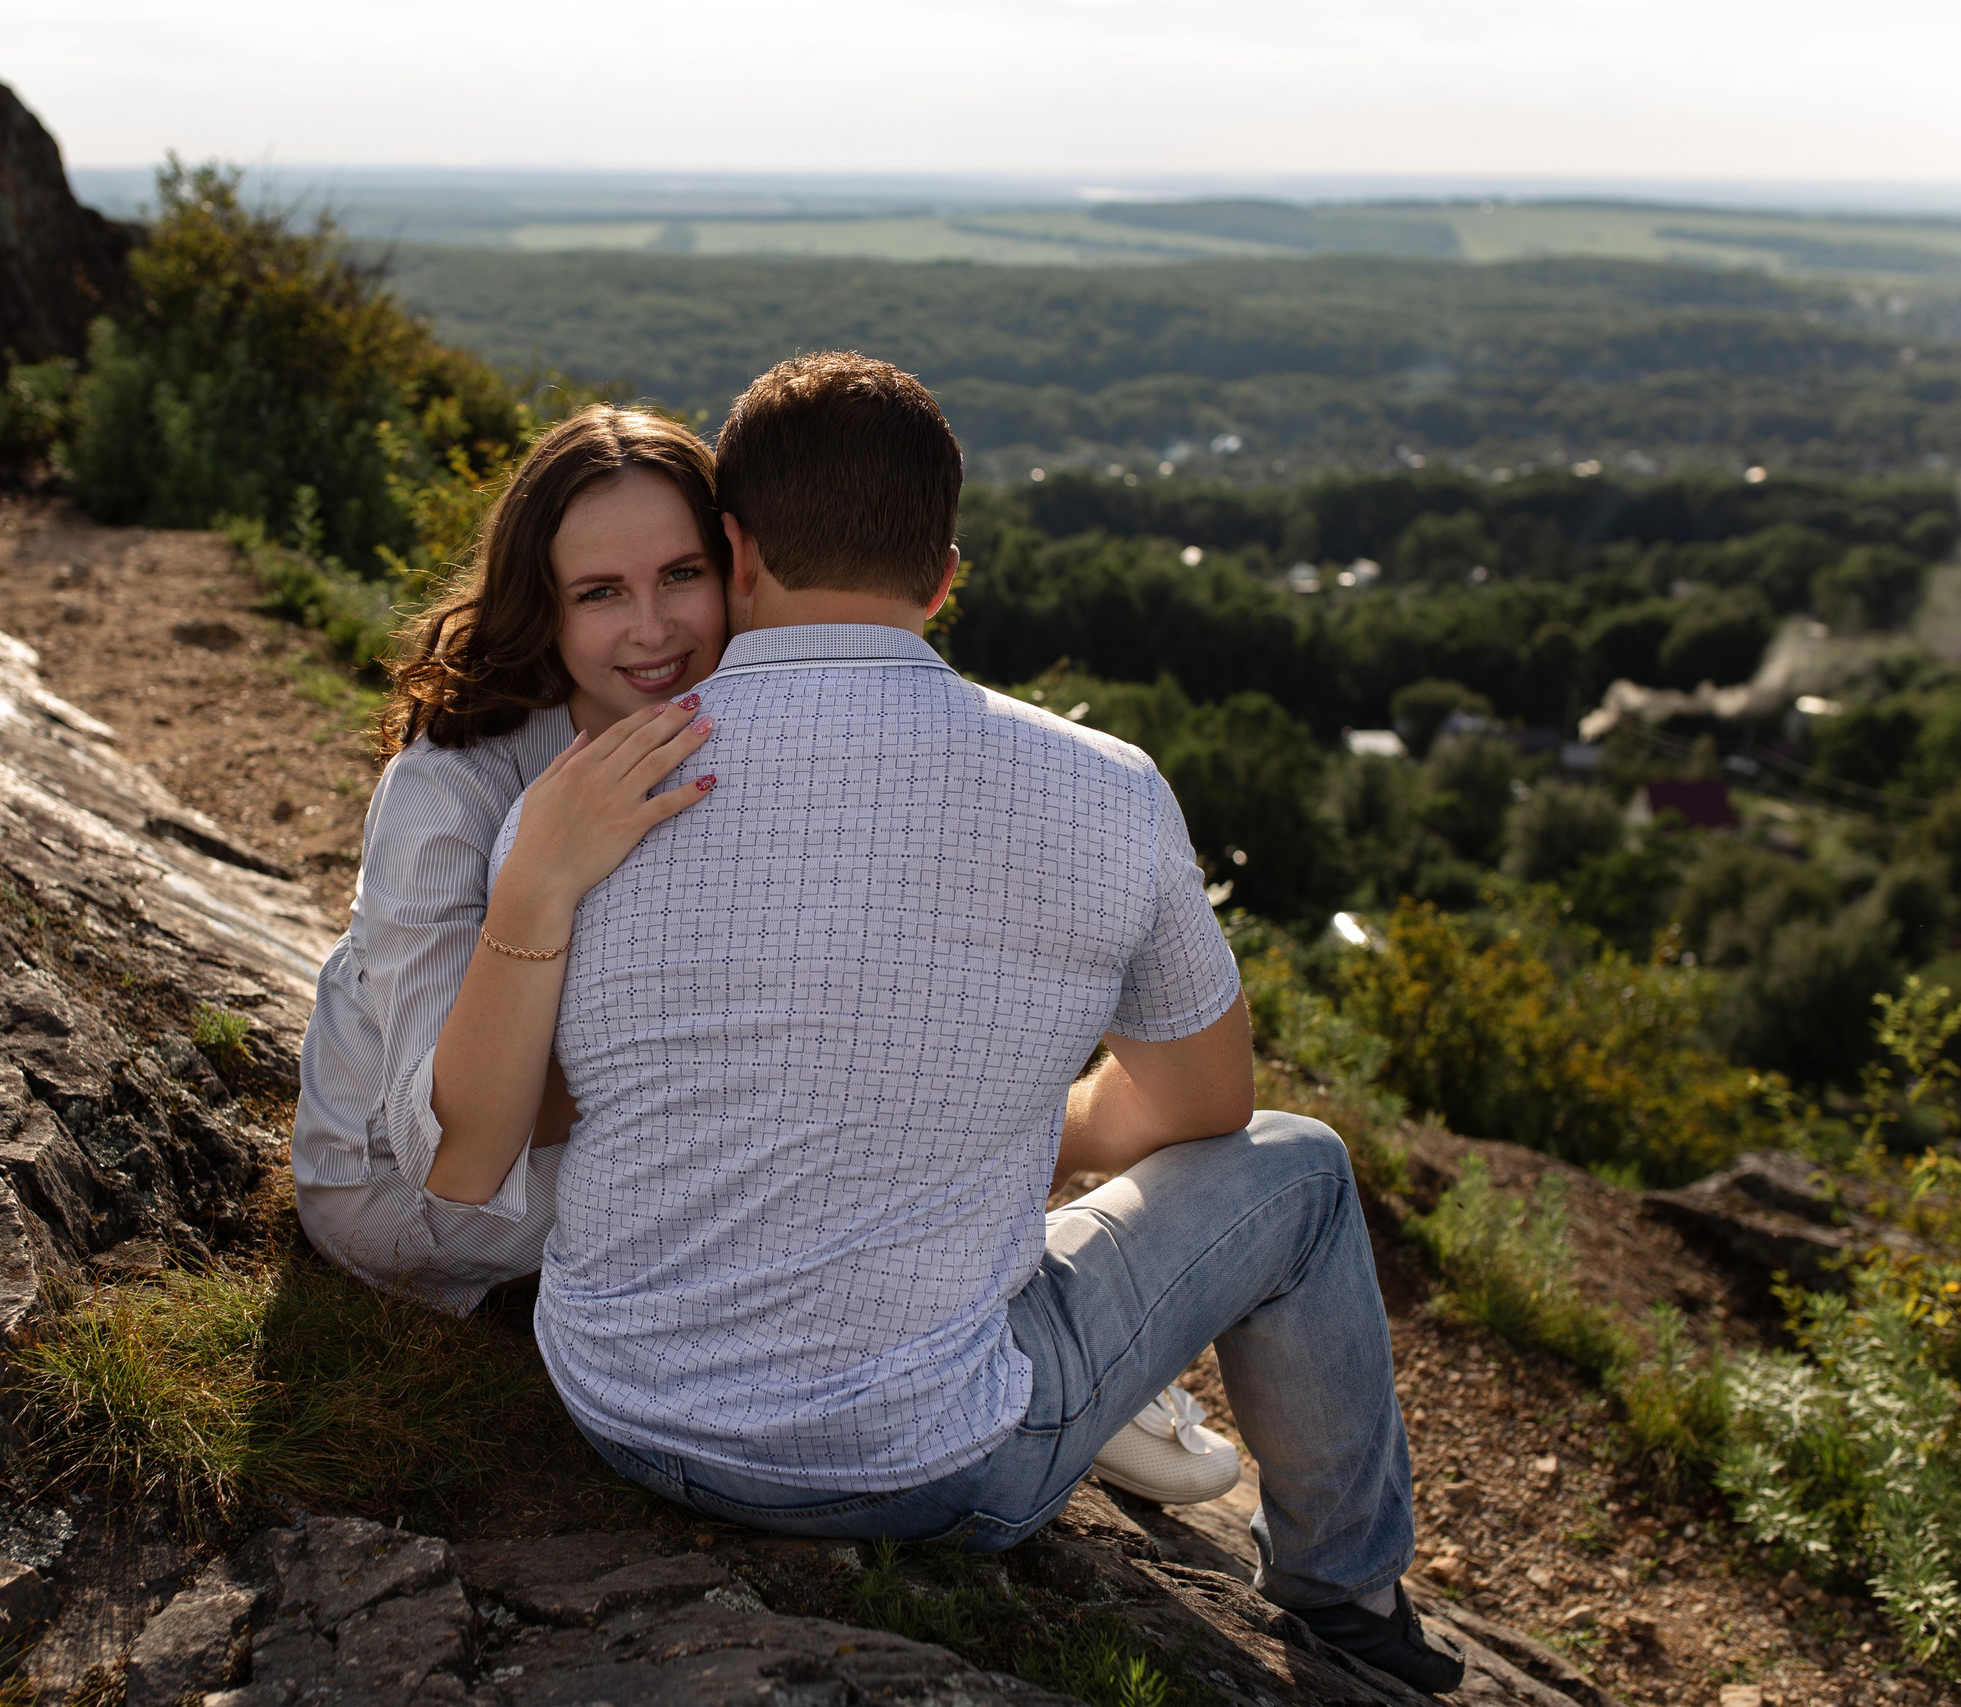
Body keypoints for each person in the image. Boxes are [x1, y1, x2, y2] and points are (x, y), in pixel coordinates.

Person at [436, 354, 1463, 1695]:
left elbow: (477, 1149)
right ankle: (1348, 1602)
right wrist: (1023, 1126)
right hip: (938, 1465)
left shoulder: (586, 799)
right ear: (945, 574)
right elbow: (1205, 1108)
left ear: (734, 553)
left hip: (626, 1408)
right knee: (1305, 1168)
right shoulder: (1108, 790)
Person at [288, 406, 724, 1314]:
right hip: (406, 1190)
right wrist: (540, 879)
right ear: (543, 605)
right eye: (599, 592)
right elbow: (459, 1162)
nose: (654, 630)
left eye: (683, 574)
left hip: (610, 1118)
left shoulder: (729, 719)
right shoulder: (447, 791)